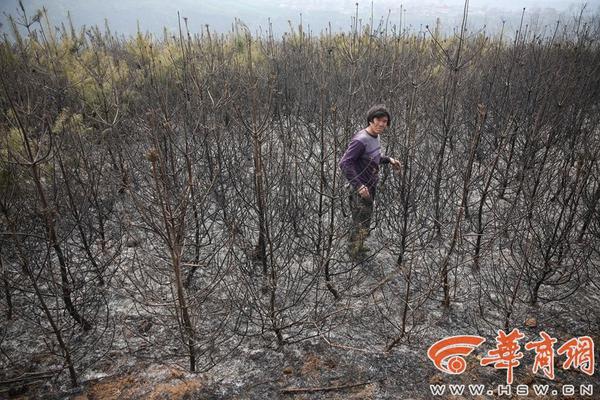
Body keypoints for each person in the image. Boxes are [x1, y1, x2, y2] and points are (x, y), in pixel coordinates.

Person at [339, 104, 401, 258]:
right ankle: (353, 252)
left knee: (365, 219)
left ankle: (358, 247)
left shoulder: (376, 136)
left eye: (385, 121)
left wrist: (390, 160)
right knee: (359, 220)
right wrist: (359, 186)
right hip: (360, 187)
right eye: (378, 120)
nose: (381, 124)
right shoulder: (361, 140)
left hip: (370, 184)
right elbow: (345, 163)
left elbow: (374, 158)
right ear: (370, 120)